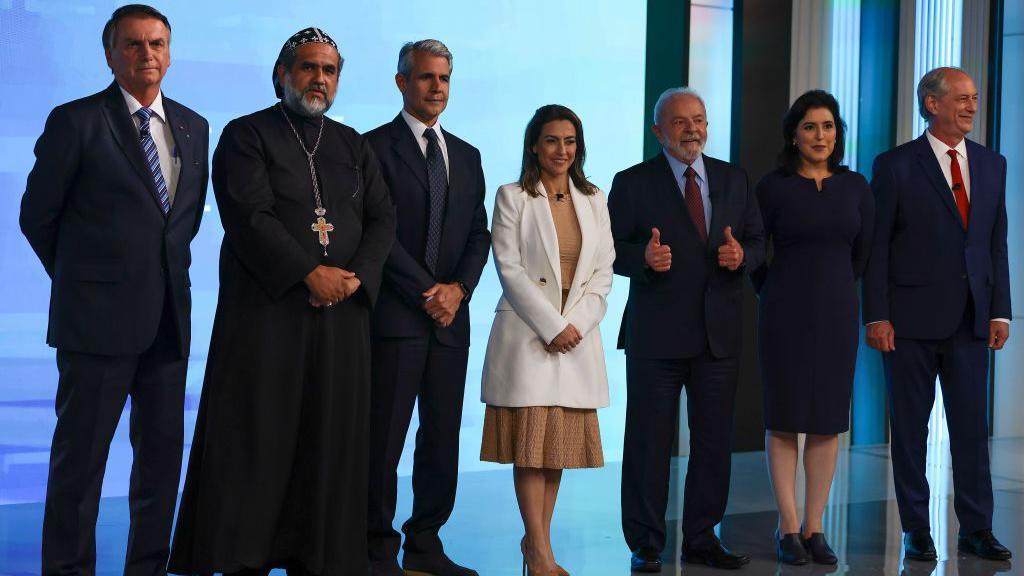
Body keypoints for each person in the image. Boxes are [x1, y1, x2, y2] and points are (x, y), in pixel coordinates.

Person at [167, 27, 395, 575]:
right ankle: (246, 555)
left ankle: (319, 555)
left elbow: (383, 219)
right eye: (309, 67)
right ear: (282, 74)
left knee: (329, 438)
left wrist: (355, 278)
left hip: (341, 319)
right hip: (267, 318)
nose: (320, 78)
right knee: (259, 437)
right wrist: (306, 274)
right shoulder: (246, 135)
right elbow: (249, 216)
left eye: (330, 70)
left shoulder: (352, 144)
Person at [18, 5, 208, 574]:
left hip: (168, 322)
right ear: (110, 54)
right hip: (95, 325)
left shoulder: (195, 126)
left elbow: (183, 221)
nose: (146, 54)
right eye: (133, 45)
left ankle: (147, 568)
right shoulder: (75, 121)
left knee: (159, 467)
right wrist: (86, 282)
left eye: (156, 44)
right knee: (80, 467)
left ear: (169, 53)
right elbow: (37, 216)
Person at [608, 87, 765, 573]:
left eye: (698, 119)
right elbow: (608, 248)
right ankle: (646, 542)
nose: (692, 129)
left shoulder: (733, 178)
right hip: (656, 335)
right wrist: (642, 258)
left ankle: (702, 537)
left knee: (714, 442)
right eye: (679, 122)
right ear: (658, 131)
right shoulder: (632, 182)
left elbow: (759, 241)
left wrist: (744, 258)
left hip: (718, 336)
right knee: (648, 444)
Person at [864, 67, 1012, 562]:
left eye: (974, 98)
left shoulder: (993, 164)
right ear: (931, 103)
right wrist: (877, 315)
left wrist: (1001, 312)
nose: (972, 106)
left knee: (972, 430)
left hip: (972, 321)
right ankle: (917, 529)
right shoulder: (895, 165)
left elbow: (996, 244)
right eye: (962, 98)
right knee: (909, 432)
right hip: (907, 323)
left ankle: (976, 528)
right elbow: (877, 248)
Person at [365, 39, 490, 576]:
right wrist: (428, 292)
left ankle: (426, 542)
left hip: (449, 324)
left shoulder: (466, 154)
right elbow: (378, 234)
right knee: (382, 440)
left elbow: (478, 235)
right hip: (395, 321)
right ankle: (373, 548)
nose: (436, 88)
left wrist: (458, 290)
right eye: (424, 78)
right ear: (401, 82)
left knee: (440, 439)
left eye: (443, 79)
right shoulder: (370, 148)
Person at [480, 104, 615, 576]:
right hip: (530, 336)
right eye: (553, 140)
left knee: (553, 451)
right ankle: (538, 552)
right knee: (530, 448)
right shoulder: (513, 196)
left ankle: (538, 541)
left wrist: (575, 323)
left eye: (570, 140)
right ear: (534, 145)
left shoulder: (595, 198)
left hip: (576, 339)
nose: (562, 150)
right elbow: (509, 267)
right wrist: (552, 326)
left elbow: (603, 273)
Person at [751, 90, 874, 565]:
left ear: (837, 133)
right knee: (784, 419)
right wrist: (775, 290)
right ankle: (786, 527)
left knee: (826, 422)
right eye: (810, 127)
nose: (820, 135)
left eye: (828, 126)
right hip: (784, 313)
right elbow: (757, 254)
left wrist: (836, 287)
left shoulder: (856, 186)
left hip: (837, 313)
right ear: (794, 135)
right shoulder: (772, 187)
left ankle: (815, 526)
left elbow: (862, 253)